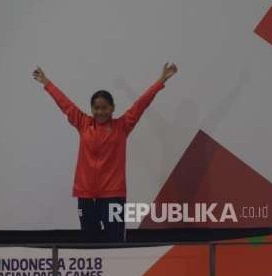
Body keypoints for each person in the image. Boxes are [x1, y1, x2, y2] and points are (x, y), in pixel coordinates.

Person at [32, 63, 178, 242]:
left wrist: (161, 80)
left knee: (115, 242)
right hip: (85, 195)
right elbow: (65, 104)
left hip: (113, 195)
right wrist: (47, 83)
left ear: (112, 108)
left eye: (104, 108)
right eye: (96, 108)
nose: (100, 112)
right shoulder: (83, 123)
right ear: (92, 108)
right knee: (89, 242)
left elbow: (142, 103)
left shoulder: (123, 126)